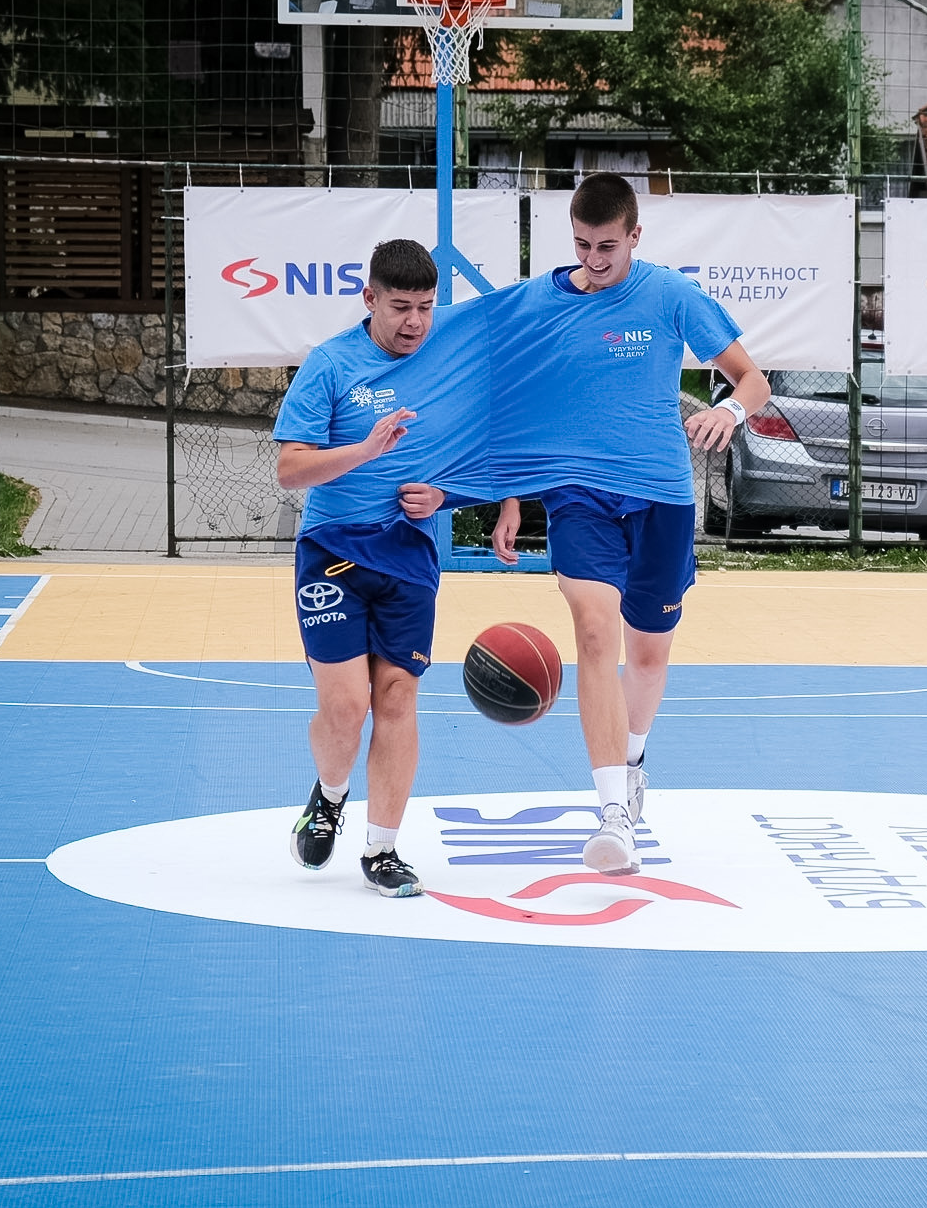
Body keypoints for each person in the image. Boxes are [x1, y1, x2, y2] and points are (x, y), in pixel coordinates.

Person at [486, 173, 772, 876]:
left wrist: (728, 413)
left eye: (607, 245)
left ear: (635, 236)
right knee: (592, 632)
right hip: (577, 494)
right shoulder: (544, 304)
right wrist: (512, 496)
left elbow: (752, 380)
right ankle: (612, 811)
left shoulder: (670, 295)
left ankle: (634, 756)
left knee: (647, 656)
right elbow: (519, 404)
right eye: (582, 244)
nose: (594, 258)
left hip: (660, 497)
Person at [273, 239, 477, 898]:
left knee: (397, 697)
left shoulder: (447, 356)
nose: (414, 322)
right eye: (400, 307)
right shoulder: (331, 365)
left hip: (409, 552)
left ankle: (382, 850)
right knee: (346, 708)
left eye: (424, 307)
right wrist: (364, 450)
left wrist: (452, 496)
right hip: (332, 550)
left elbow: (484, 444)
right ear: (369, 298)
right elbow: (289, 468)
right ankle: (329, 796)